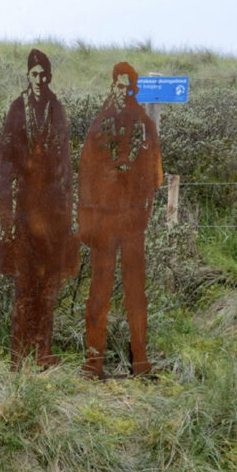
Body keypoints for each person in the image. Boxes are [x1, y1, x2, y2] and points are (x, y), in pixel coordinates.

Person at [79, 62, 163, 378]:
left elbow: (154, 176)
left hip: (132, 224)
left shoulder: (144, 125)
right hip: (104, 223)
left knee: (136, 292)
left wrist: (135, 183)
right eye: (118, 85)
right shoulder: (99, 126)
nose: (123, 91)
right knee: (99, 290)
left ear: (134, 89)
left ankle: (140, 362)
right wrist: (113, 173)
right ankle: (93, 363)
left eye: (128, 86)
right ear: (112, 86)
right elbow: (86, 173)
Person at [0, 49, 78, 368]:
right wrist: (6, 218)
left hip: (54, 211)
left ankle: (43, 351)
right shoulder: (17, 109)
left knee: (49, 285)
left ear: (50, 76)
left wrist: (68, 215)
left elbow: (67, 165)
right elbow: (4, 165)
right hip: (26, 210)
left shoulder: (57, 109)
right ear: (27, 76)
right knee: (25, 283)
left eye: (44, 74)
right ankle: (18, 354)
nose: (40, 80)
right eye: (34, 74)